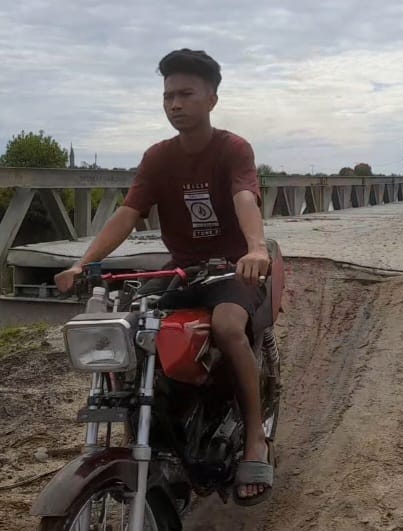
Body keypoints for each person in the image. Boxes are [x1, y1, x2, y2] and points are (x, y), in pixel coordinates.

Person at [53, 48, 274, 506]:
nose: (175, 103)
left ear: (211, 99)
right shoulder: (158, 157)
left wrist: (254, 249)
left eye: (186, 94)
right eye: (168, 95)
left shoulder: (233, 149)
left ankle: (255, 439)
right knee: (131, 329)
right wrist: (83, 262)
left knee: (228, 326)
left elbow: (245, 200)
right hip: (182, 269)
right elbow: (128, 214)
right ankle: (159, 437)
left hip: (231, 268)